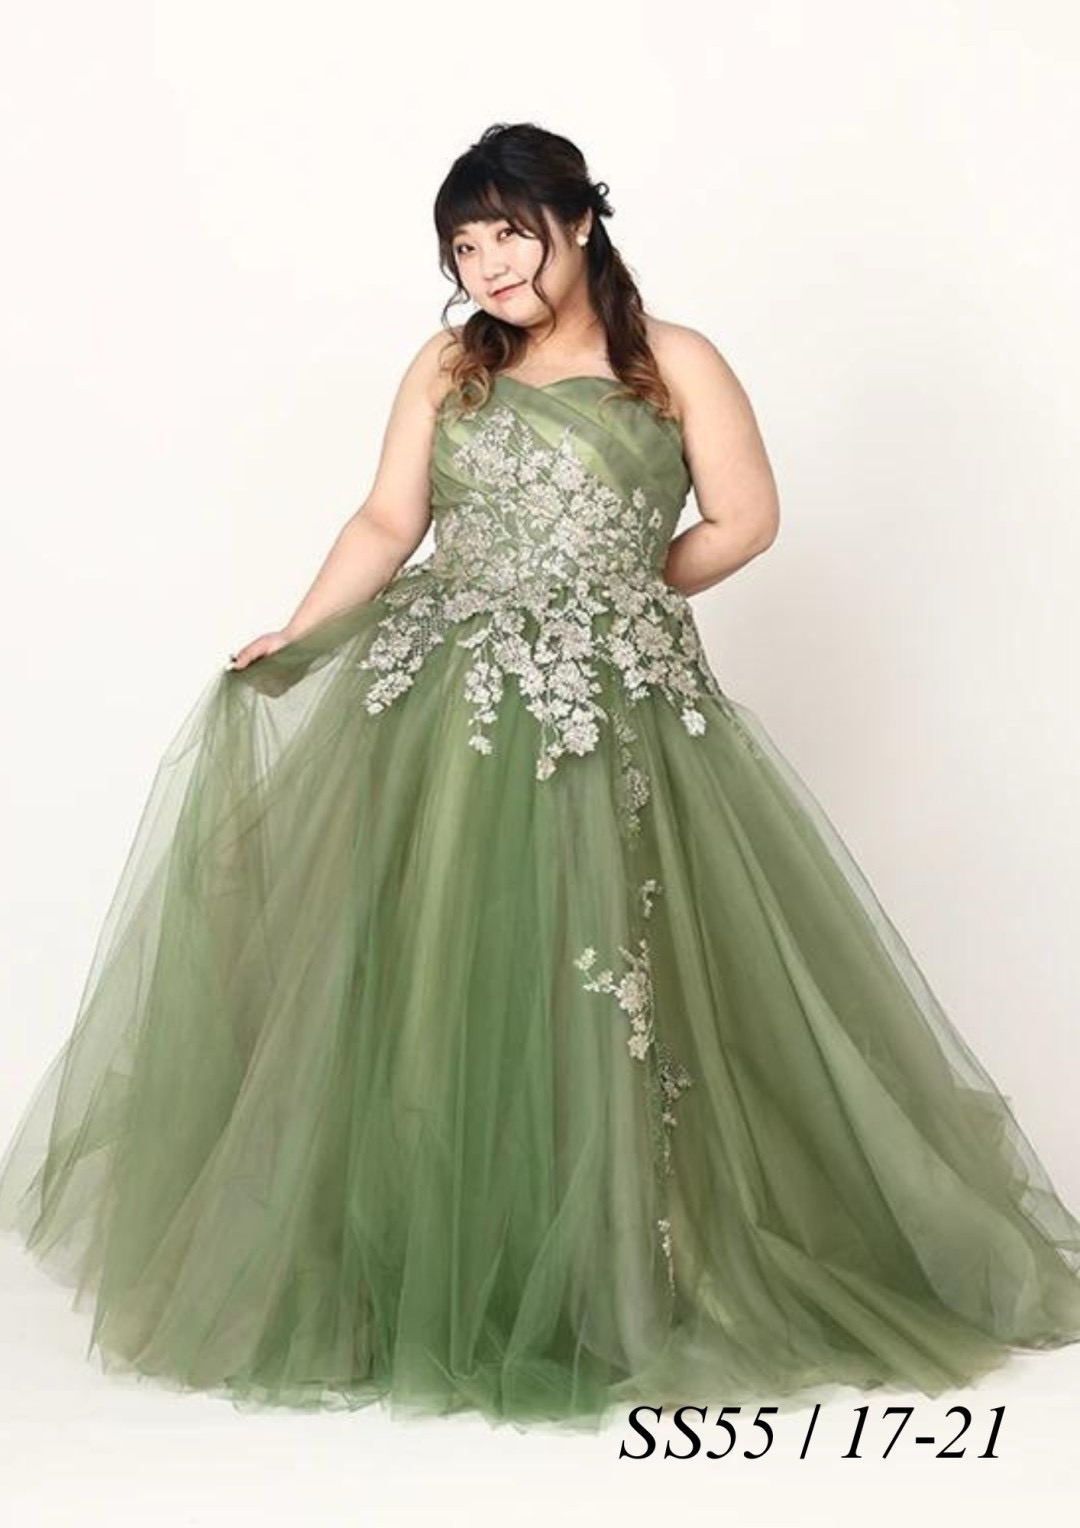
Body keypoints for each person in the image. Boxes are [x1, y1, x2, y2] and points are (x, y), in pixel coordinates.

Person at [2, 120, 1079, 1433]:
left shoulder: (673, 361)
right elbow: (389, 519)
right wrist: (299, 627)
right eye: (465, 246)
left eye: (509, 233)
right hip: (450, 701)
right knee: (437, 966)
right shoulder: (450, 365)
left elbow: (746, 518)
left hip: (611, 709)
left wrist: (623, 590)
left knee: (611, 961)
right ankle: (430, 1269)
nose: (490, 265)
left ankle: (623, 1278)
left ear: (578, 222)